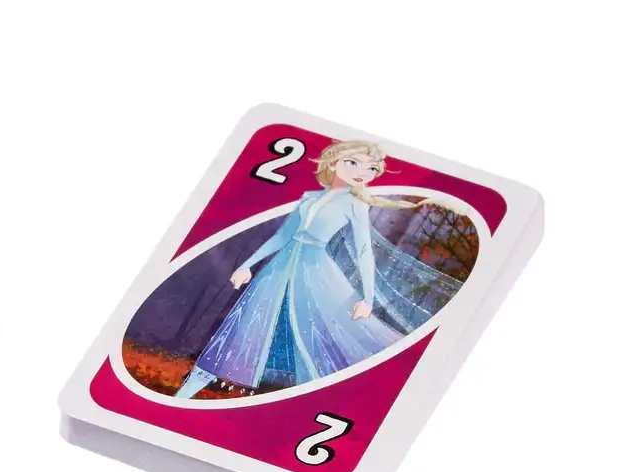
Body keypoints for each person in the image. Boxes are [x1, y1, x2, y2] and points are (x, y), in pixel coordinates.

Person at [175, 140, 462, 398]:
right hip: (278, 269)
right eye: (353, 163)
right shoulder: (309, 198)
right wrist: (246, 265)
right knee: (245, 325)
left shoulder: (355, 204)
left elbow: (364, 252)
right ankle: (185, 395)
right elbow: (283, 236)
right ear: (333, 162)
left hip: (315, 272)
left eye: (372, 168)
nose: (363, 172)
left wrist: (368, 299)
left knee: (319, 336)